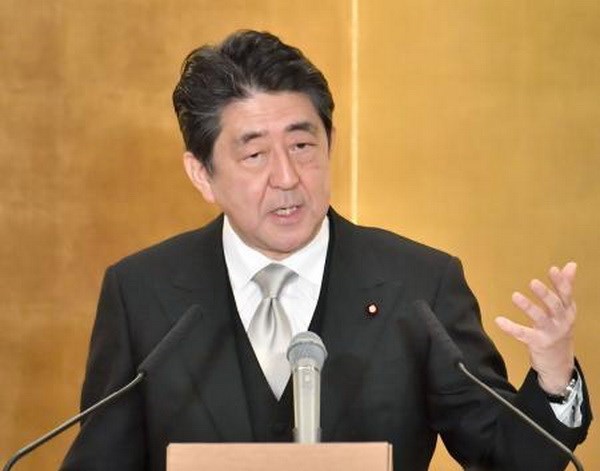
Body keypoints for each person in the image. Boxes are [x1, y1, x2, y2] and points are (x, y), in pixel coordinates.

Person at [61, 30, 591, 471]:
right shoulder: (142, 293)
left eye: (302, 145)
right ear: (202, 173)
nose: (287, 177)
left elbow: (506, 456)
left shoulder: (419, 286)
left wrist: (552, 376)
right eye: (255, 154)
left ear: (330, 143)